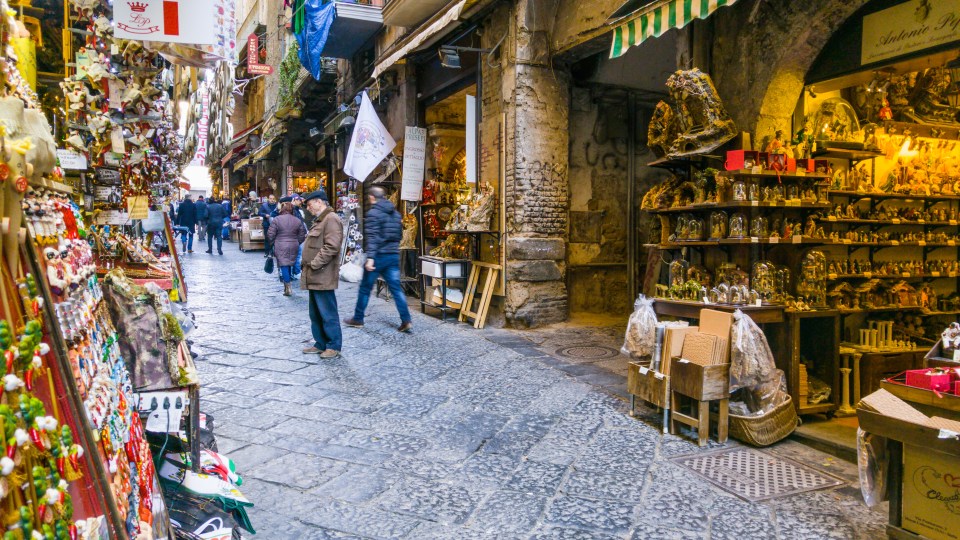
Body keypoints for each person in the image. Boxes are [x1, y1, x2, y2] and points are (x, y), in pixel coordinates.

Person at [344, 186, 412, 333]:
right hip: (393, 255)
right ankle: (406, 319)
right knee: (396, 289)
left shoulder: (373, 213)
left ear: (372, 197)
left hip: (378, 257)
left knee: (365, 288)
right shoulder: (396, 214)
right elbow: (399, 235)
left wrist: (370, 258)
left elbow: (372, 237)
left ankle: (358, 318)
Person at [301, 189, 343, 358]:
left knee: (327, 312)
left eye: (310, 205)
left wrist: (315, 264)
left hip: (322, 273)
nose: (309, 209)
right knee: (316, 312)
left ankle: (333, 345)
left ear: (319, 202)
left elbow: (332, 246)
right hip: (315, 274)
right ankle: (320, 343)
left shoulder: (331, 219)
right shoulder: (322, 219)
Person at [268, 202, 307, 296]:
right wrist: (297, 242)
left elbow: (270, 234)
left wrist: (272, 242)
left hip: (280, 244)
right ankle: (288, 284)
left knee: (284, 265)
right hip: (294, 244)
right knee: (289, 264)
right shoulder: (297, 220)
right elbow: (302, 234)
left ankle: (288, 287)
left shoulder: (277, 220)